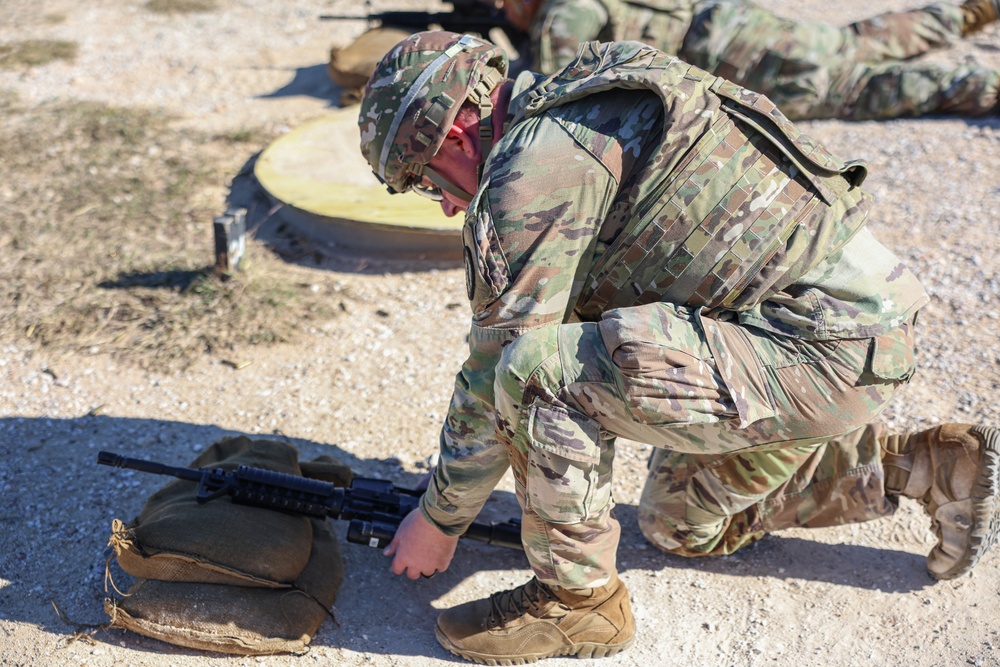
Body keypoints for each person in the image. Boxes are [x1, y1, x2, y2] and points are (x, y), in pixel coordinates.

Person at [357, 31, 1000, 663]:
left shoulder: (532, 171)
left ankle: (577, 605)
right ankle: (920, 466)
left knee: (536, 375)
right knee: (676, 523)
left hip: (813, 351)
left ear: (457, 133)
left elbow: (496, 364)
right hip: (847, 340)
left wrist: (439, 520)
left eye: (424, 178)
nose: (443, 206)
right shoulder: (589, 91)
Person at [502, 0, 1000, 119]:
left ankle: (985, 87)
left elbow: (551, 91)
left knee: (870, 87)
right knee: (855, 42)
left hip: (744, 66)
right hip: (742, 27)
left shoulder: (565, 14)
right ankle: (970, 12)